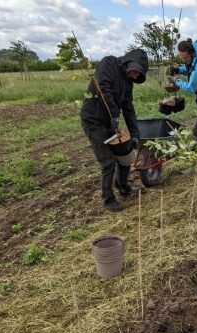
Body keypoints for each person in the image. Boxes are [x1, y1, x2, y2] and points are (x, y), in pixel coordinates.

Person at [80, 49, 148, 212]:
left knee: (125, 153)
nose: (135, 77)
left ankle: (123, 187)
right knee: (108, 161)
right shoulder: (109, 63)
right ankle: (108, 199)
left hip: (111, 121)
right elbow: (103, 89)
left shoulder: (128, 82)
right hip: (93, 120)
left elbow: (129, 108)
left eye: (138, 76)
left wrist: (135, 135)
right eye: (135, 73)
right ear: (130, 63)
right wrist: (114, 113)